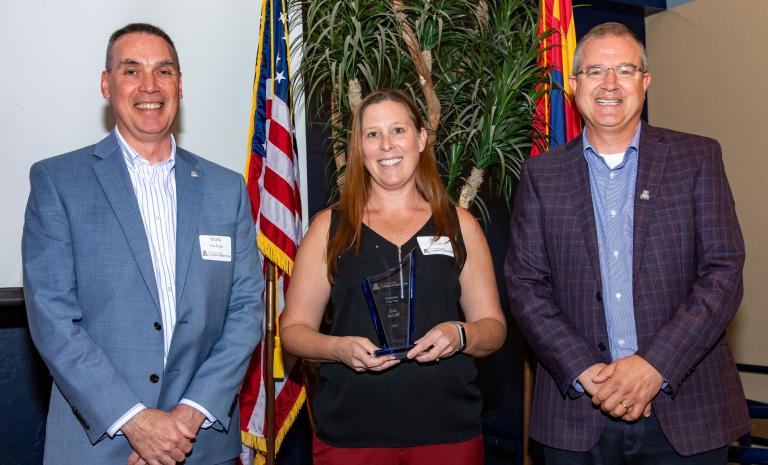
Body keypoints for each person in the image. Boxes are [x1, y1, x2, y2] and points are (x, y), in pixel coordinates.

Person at [505, 21, 749, 464]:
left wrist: (653, 367)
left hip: (688, 412)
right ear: (575, 84)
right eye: (596, 71)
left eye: (625, 70)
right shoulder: (541, 176)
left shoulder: (697, 158)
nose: (610, 84)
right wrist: (583, 370)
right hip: (577, 413)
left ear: (646, 81)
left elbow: (724, 272)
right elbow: (525, 285)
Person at [22, 23, 263, 465]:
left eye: (164, 71)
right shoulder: (58, 182)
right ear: (106, 83)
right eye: (131, 70)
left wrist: (186, 419)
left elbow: (246, 309)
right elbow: (52, 317)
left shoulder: (225, 189)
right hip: (99, 447)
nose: (149, 86)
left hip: (200, 444)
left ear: (180, 84)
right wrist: (136, 422)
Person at [281, 89, 506, 465]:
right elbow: (292, 331)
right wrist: (339, 349)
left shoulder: (459, 225)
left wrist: (459, 334)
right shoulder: (329, 228)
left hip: (447, 433)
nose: (386, 145)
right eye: (372, 134)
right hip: (351, 437)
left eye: (398, 130)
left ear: (420, 139)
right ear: (359, 147)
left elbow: (494, 329)